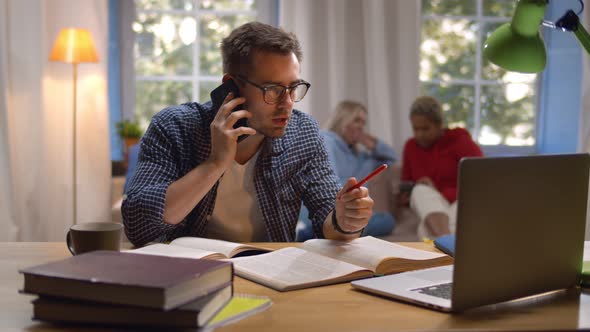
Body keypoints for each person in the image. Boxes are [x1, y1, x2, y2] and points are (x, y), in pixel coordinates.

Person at [122, 22, 374, 247]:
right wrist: (216, 163)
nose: (287, 103)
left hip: (272, 276)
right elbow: (139, 226)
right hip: (193, 276)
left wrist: (345, 220)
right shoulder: (174, 127)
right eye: (273, 89)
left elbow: (327, 222)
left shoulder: (303, 132)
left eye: (293, 87)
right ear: (230, 85)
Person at [297, 101, 397, 240]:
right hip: (323, 208)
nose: (361, 126)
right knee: (376, 221)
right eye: (357, 120)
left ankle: (327, 231)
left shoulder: (361, 156)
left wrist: (374, 145)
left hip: (348, 209)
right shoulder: (326, 140)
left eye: (363, 122)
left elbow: (391, 159)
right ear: (343, 120)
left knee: (387, 220)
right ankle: (317, 229)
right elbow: (325, 185)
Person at [400, 96, 483, 239]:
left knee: (424, 230)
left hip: (460, 200)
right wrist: (410, 190)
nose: (420, 134)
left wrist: (440, 191)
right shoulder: (410, 147)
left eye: (426, 128)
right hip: (430, 203)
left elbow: (483, 180)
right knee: (419, 190)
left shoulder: (459, 141)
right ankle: (449, 243)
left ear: (439, 124)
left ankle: (445, 243)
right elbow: (405, 189)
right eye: (415, 129)